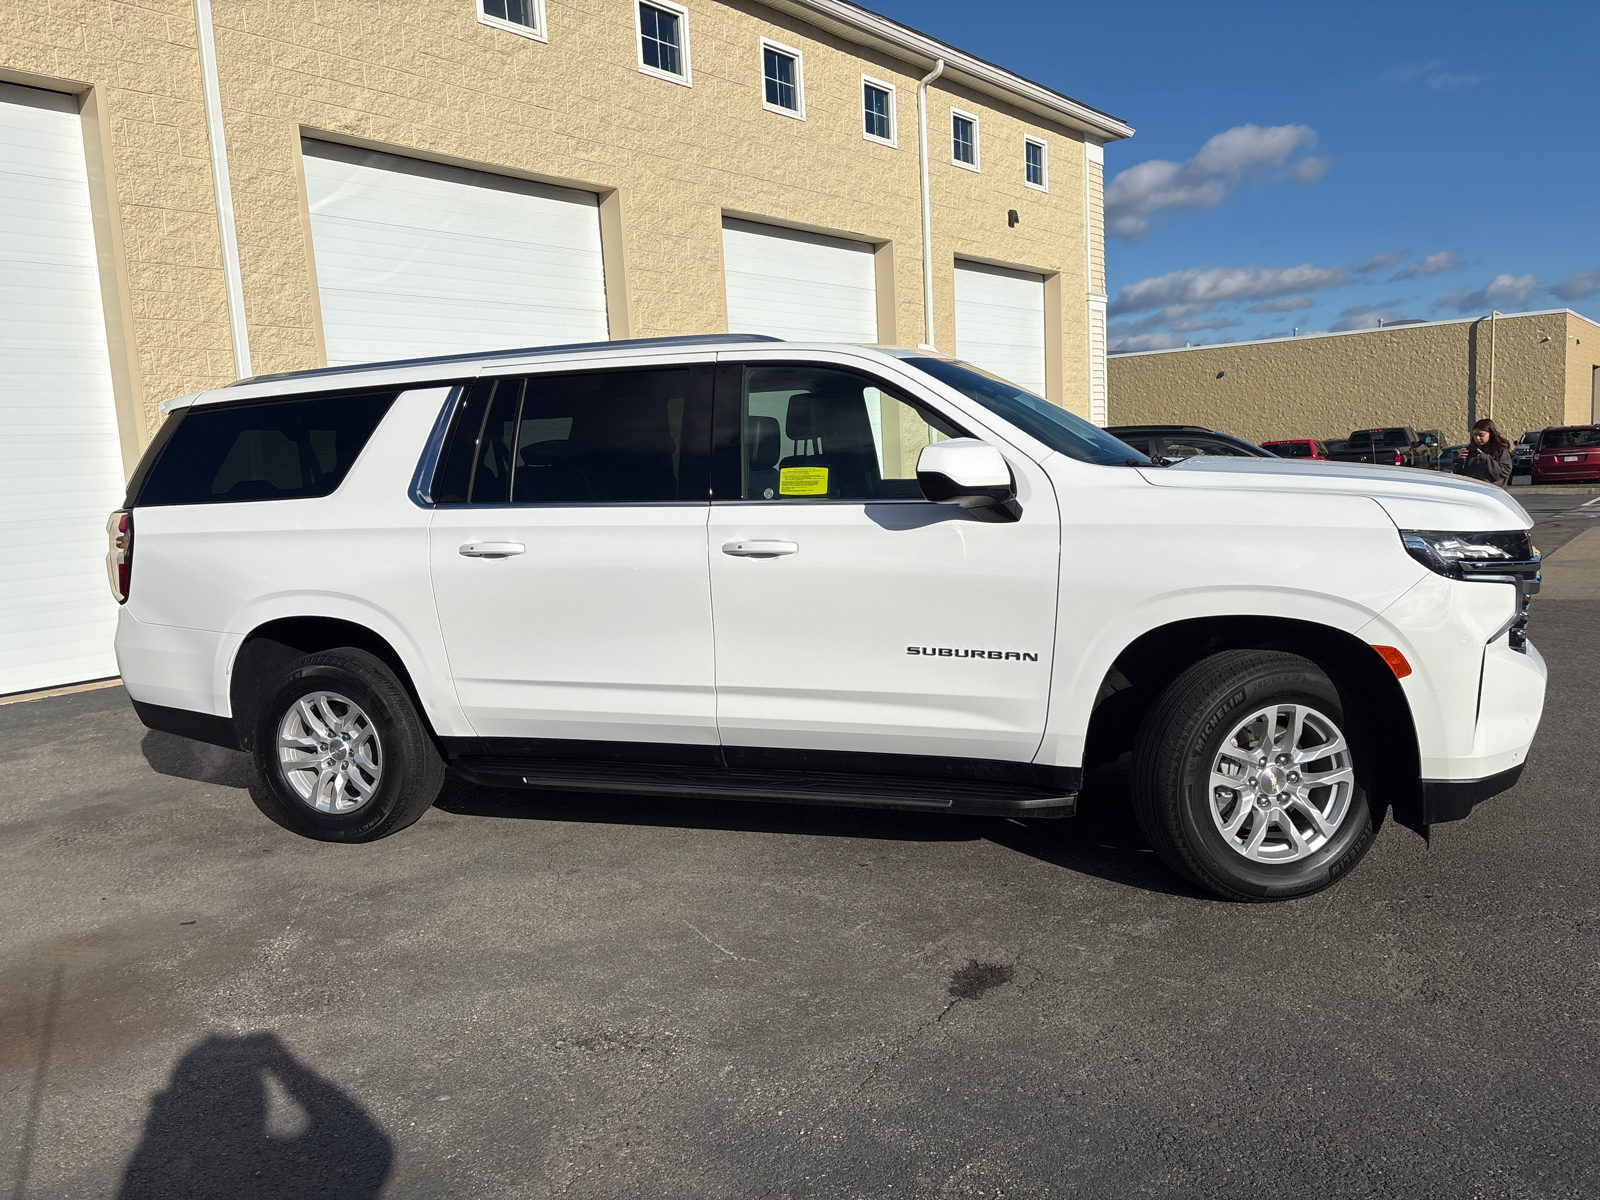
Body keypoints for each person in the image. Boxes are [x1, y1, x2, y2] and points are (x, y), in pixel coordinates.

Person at [1455, 418, 1513, 487]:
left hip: (1492, 491)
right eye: (1475, 435)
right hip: (1472, 490)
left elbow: (1504, 471)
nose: (1477, 438)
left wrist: (1486, 459)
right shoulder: (1470, 449)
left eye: (1481, 435)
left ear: (1490, 434)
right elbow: (1458, 472)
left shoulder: (1500, 450)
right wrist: (1459, 459)